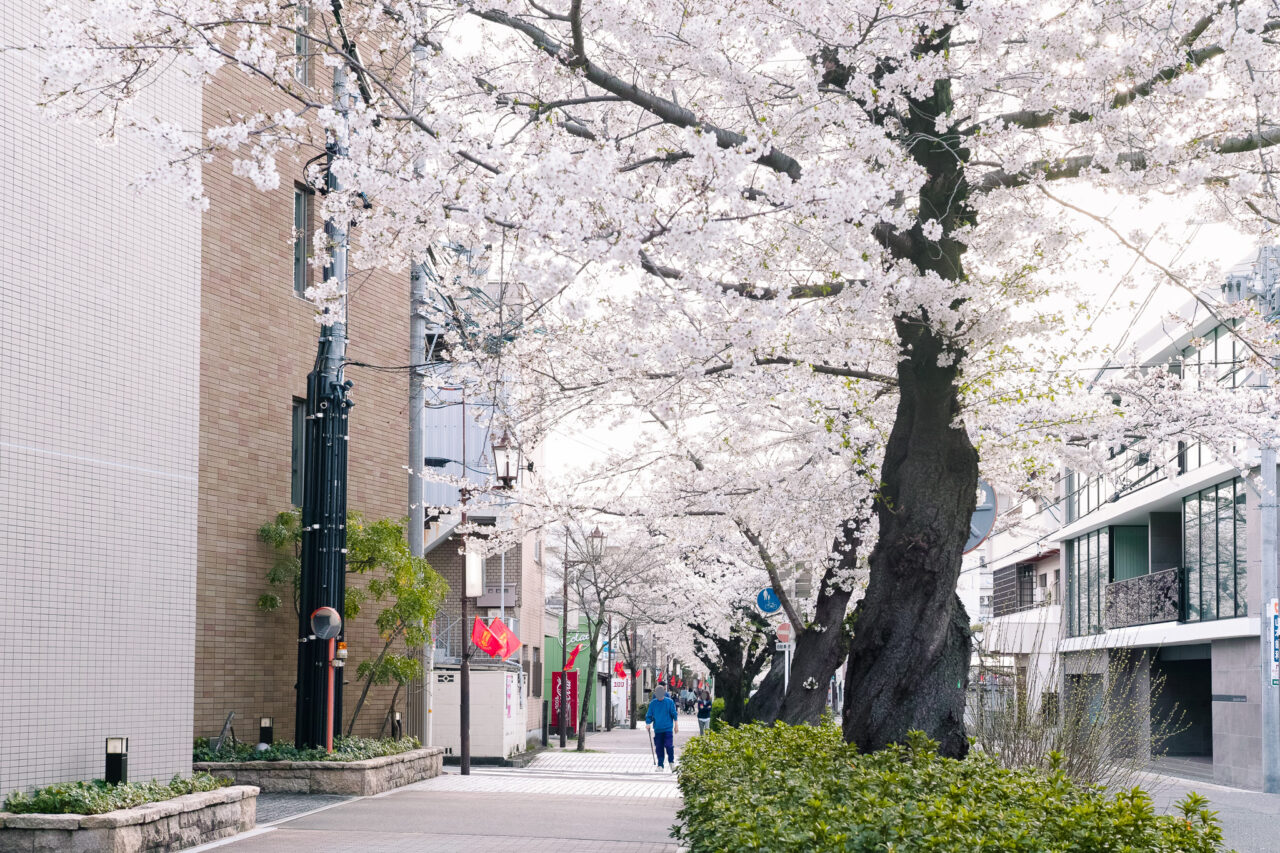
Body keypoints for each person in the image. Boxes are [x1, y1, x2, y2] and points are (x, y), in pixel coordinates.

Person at [645, 684, 679, 770]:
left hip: (668, 728)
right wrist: (648, 723)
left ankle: (671, 762)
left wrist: (676, 725)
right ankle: (660, 765)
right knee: (659, 747)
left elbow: (674, 714)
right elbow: (649, 715)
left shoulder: (669, 702)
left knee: (669, 745)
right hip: (658, 729)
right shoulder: (653, 703)